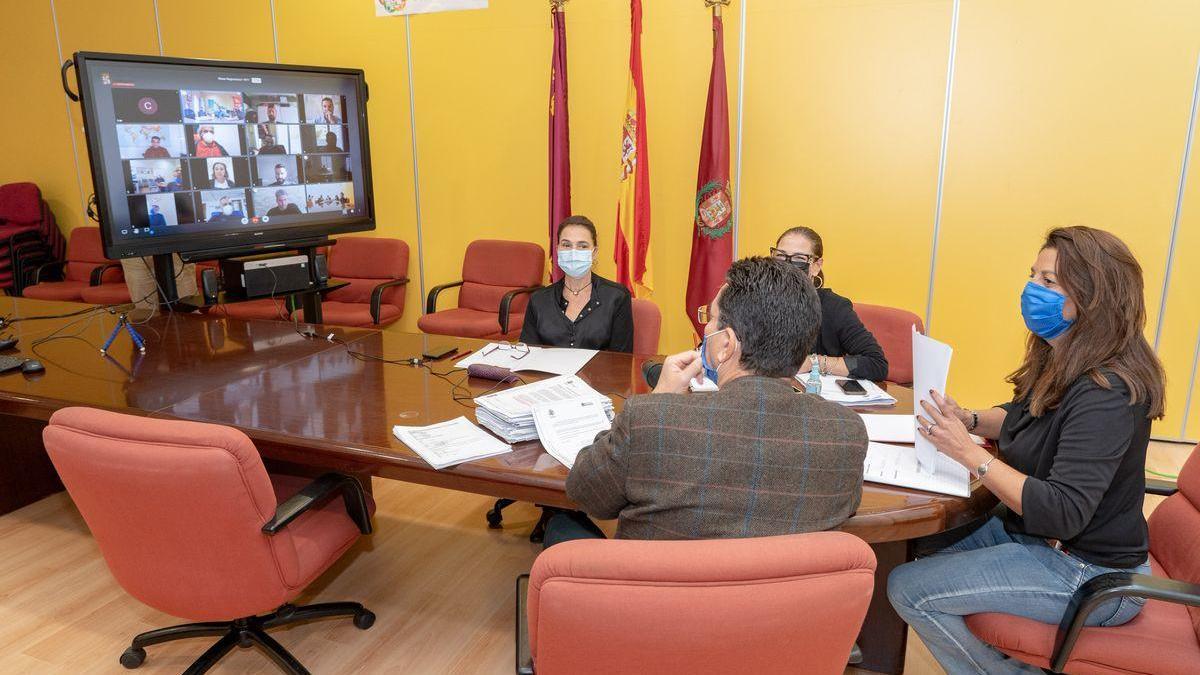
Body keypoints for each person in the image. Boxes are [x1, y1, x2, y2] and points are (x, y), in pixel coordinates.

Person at [887, 226, 1165, 674]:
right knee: (915, 546)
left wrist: (971, 454)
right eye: (1033, 276)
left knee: (908, 586)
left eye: (1048, 282)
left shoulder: (1108, 392)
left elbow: (1062, 511)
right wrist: (971, 420)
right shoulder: (1066, 355)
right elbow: (1026, 413)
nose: (1031, 289)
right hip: (1037, 539)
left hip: (1088, 572)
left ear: (1094, 297)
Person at [544, 256, 869, 546]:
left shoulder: (650, 420)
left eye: (710, 319)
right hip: (777, 612)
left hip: (655, 608)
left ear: (726, 344)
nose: (705, 327)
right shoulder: (847, 432)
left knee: (561, 526)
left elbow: (585, 492)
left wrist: (660, 399)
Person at [772, 226, 888, 381]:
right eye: (780, 256)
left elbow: (876, 364)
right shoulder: (754, 300)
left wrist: (813, 363)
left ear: (816, 266)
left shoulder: (834, 308)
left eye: (799, 258)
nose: (787, 265)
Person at [521, 216, 633, 352]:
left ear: (594, 252)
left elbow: (621, 361)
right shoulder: (539, 299)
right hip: (549, 373)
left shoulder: (617, 297)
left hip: (598, 373)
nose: (573, 252)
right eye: (566, 245)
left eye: (582, 246)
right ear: (557, 250)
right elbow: (527, 356)